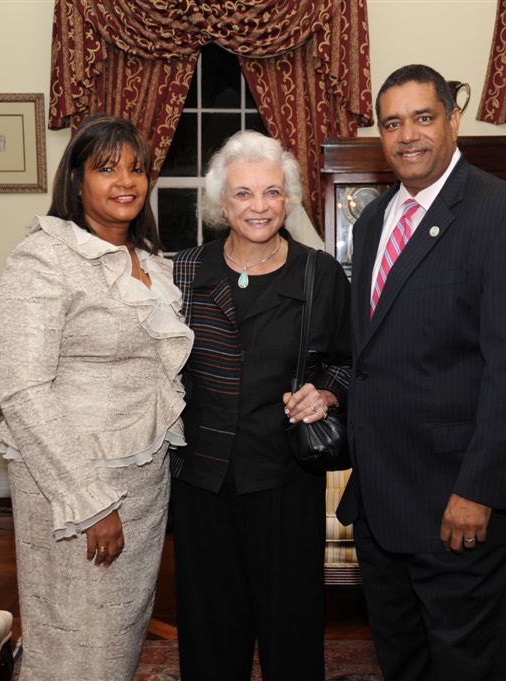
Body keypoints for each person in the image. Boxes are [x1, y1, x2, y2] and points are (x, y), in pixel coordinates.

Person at [336, 64, 506, 681]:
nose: (407, 135)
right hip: (386, 511)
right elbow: (372, 357)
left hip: (464, 514)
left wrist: (478, 491)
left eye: (423, 117)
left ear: (453, 120)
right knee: (403, 664)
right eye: (391, 123)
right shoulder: (374, 221)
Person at [0, 114, 193, 680]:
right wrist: (91, 501)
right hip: (75, 485)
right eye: (106, 168)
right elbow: (23, 390)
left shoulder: (150, 262)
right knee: (74, 638)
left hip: (144, 481)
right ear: (76, 180)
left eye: (137, 168)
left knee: (120, 631)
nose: (125, 181)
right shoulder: (43, 259)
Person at [171, 130, 351, 681]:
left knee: (290, 629)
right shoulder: (181, 274)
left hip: (284, 477)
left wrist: (326, 393)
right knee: (209, 631)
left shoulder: (319, 273)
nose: (259, 206)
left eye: (272, 192)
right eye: (244, 194)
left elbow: (346, 363)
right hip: (202, 481)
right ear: (221, 203)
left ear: (290, 199)